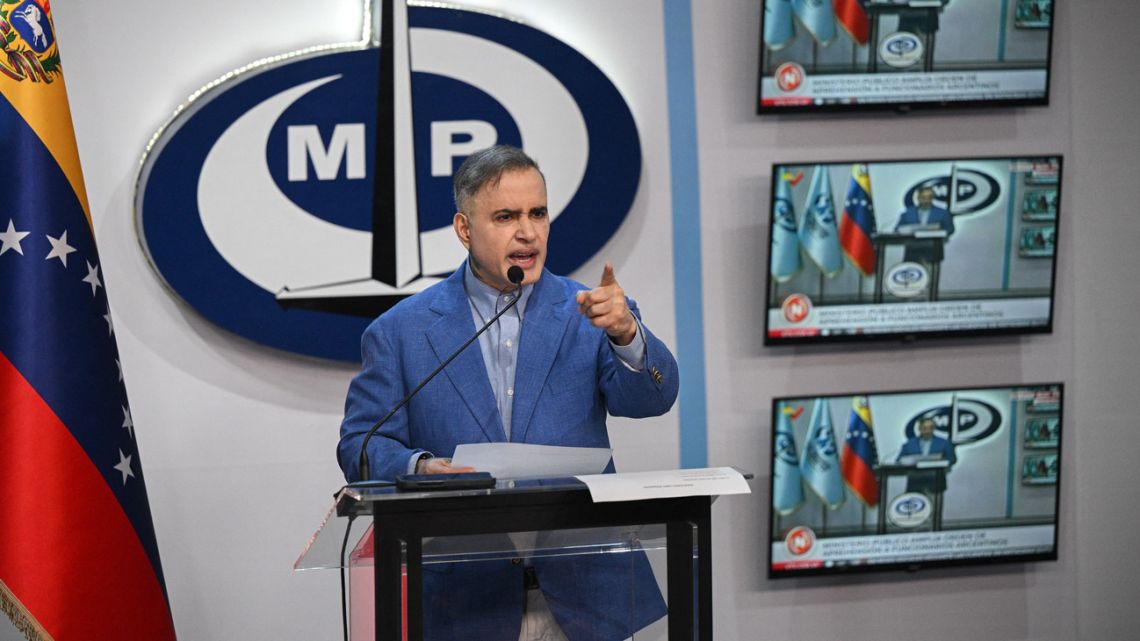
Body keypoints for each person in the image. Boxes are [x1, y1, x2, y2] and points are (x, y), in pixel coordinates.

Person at [337, 145, 678, 641]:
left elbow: (650, 401)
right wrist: (420, 468)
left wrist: (627, 334)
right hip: (464, 602)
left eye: (538, 213)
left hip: (585, 596)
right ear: (464, 229)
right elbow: (361, 448)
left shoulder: (591, 312)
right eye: (506, 216)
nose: (528, 231)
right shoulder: (400, 332)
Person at [894, 186, 954, 264]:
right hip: (912, 251)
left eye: (929, 197)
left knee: (930, 275)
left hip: (932, 250)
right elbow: (897, 229)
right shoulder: (908, 213)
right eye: (923, 197)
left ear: (933, 198)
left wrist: (939, 230)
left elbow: (950, 229)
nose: (926, 200)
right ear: (918, 198)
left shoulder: (943, 213)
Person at [898, 418, 957, 496]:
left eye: (931, 428)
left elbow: (952, 459)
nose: (928, 431)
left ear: (934, 428)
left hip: (935, 481)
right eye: (924, 428)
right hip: (915, 482)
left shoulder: (944, 443)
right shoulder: (909, 444)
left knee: (934, 506)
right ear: (919, 429)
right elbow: (899, 460)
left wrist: (942, 461)